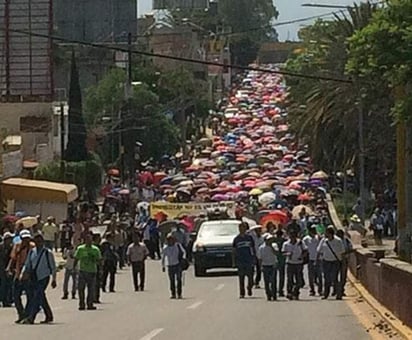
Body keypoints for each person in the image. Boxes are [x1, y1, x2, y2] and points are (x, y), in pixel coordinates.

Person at [20, 232, 57, 324]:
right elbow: (27, 264)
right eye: (36, 241)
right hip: (34, 277)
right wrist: (22, 274)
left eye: (40, 241)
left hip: (44, 277)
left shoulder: (48, 253)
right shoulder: (32, 251)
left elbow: (53, 267)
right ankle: (49, 315)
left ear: (43, 241)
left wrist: (54, 279)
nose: (38, 243)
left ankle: (31, 317)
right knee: (41, 297)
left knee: (37, 296)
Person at [7, 229, 35, 323]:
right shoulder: (17, 246)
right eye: (24, 238)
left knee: (29, 295)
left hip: (29, 274)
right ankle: (21, 313)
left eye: (27, 238)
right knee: (16, 295)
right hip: (18, 273)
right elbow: (13, 258)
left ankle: (27, 314)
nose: (26, 240)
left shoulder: (32, 247)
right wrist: (9, 268)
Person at [74, 232, 102, 310]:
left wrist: (100, 269)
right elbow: (76, 258)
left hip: (92, 271)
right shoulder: (80, 248)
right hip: (82, 271)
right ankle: (81, 304)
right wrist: (74, 268)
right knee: (81, 288)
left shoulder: (95, 249)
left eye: (90, 239)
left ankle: (90, 304)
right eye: (87, 239)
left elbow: (99, 260)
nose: (88, 241)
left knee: (91, 289)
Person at [317, 226, 345, 300]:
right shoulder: (324, 241)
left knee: (334, 278)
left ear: (331, 234)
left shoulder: (338, 241)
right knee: (326, 279)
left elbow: (342, 252)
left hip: (335, 262)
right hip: (326, 261)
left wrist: (342, 261)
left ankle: (339, 294)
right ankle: (326, 294)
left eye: (327, 233)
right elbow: (319, 250)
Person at [232, 222, 255, 298]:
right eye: (240, 228)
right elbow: (234, 251)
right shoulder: (236, 239)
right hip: (240, 260)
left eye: (243, 228)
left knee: (250, 277)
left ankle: (249, 287)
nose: (242, 229)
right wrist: (234, 261)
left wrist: (254, 258)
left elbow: (252, 249)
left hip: (248, 260)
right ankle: (242, 293)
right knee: (241, 278)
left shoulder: (249, 238)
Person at [282, 230, 307, 300]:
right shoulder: (286, 243)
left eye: (293, 236)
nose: (292, 237)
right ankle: (289, 293)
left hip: (298, 263)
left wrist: (301, 256)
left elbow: (305, 251)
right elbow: (283, 253)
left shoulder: (301, 242)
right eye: (291, 236)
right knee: (289, 279)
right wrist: (288, 254)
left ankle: (295, 291)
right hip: (290, 263)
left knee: (299, 280)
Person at [161, 234, 186, 299]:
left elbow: (184, 252)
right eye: (169, 240)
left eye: (171, 239)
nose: (170, 241)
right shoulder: (165, 248)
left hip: (177, 265)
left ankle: (179, 294)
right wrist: (163, 266)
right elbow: (163, 257)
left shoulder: (177, 245)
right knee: (172, 280)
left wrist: (183, 259)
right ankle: (173, 294)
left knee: (179, 279)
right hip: (170, 266)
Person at [257, 234, 279, 301]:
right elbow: (260, 258)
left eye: (271, 239)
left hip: (273, 265)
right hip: (265, 266)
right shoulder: (261, 248)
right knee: (266, 282)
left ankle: (274, 295)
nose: (270, 241)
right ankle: (268, 295)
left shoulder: (274, 245)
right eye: (269, 240)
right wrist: (260, 267)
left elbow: (276, 253)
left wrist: (271, 247)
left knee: (273, 281)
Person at [303, 226, 322, 296]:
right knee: (311, 276)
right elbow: (304, 248)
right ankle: (312, 290)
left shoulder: (318, 238)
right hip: (310, 259)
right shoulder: (306, 239)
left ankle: (320, 290)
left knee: (319, 275)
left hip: (318, 259)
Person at [336, 229, 353, 297]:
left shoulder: (346, 240)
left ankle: (341, 290)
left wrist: (345, 253)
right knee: (335, 276)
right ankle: (337, 290)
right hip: (336, 260)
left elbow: (351, 248)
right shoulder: (335, 241)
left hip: (344, 260)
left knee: (343, 276)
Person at [0, 232, 14, 307]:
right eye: (9, 239)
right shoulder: (0, 246)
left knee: (8, 284)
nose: (10, 241)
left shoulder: (12, 247)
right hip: (1, 268)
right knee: (3, 284)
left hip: (8, 268)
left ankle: (6, 300)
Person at [274, 229, 287, 297]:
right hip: (281, 259)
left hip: (276, 259)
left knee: (275, 276)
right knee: (281, 276)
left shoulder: (274, 240)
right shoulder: (284, 240)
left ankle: (276, 289)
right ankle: (280, 290)